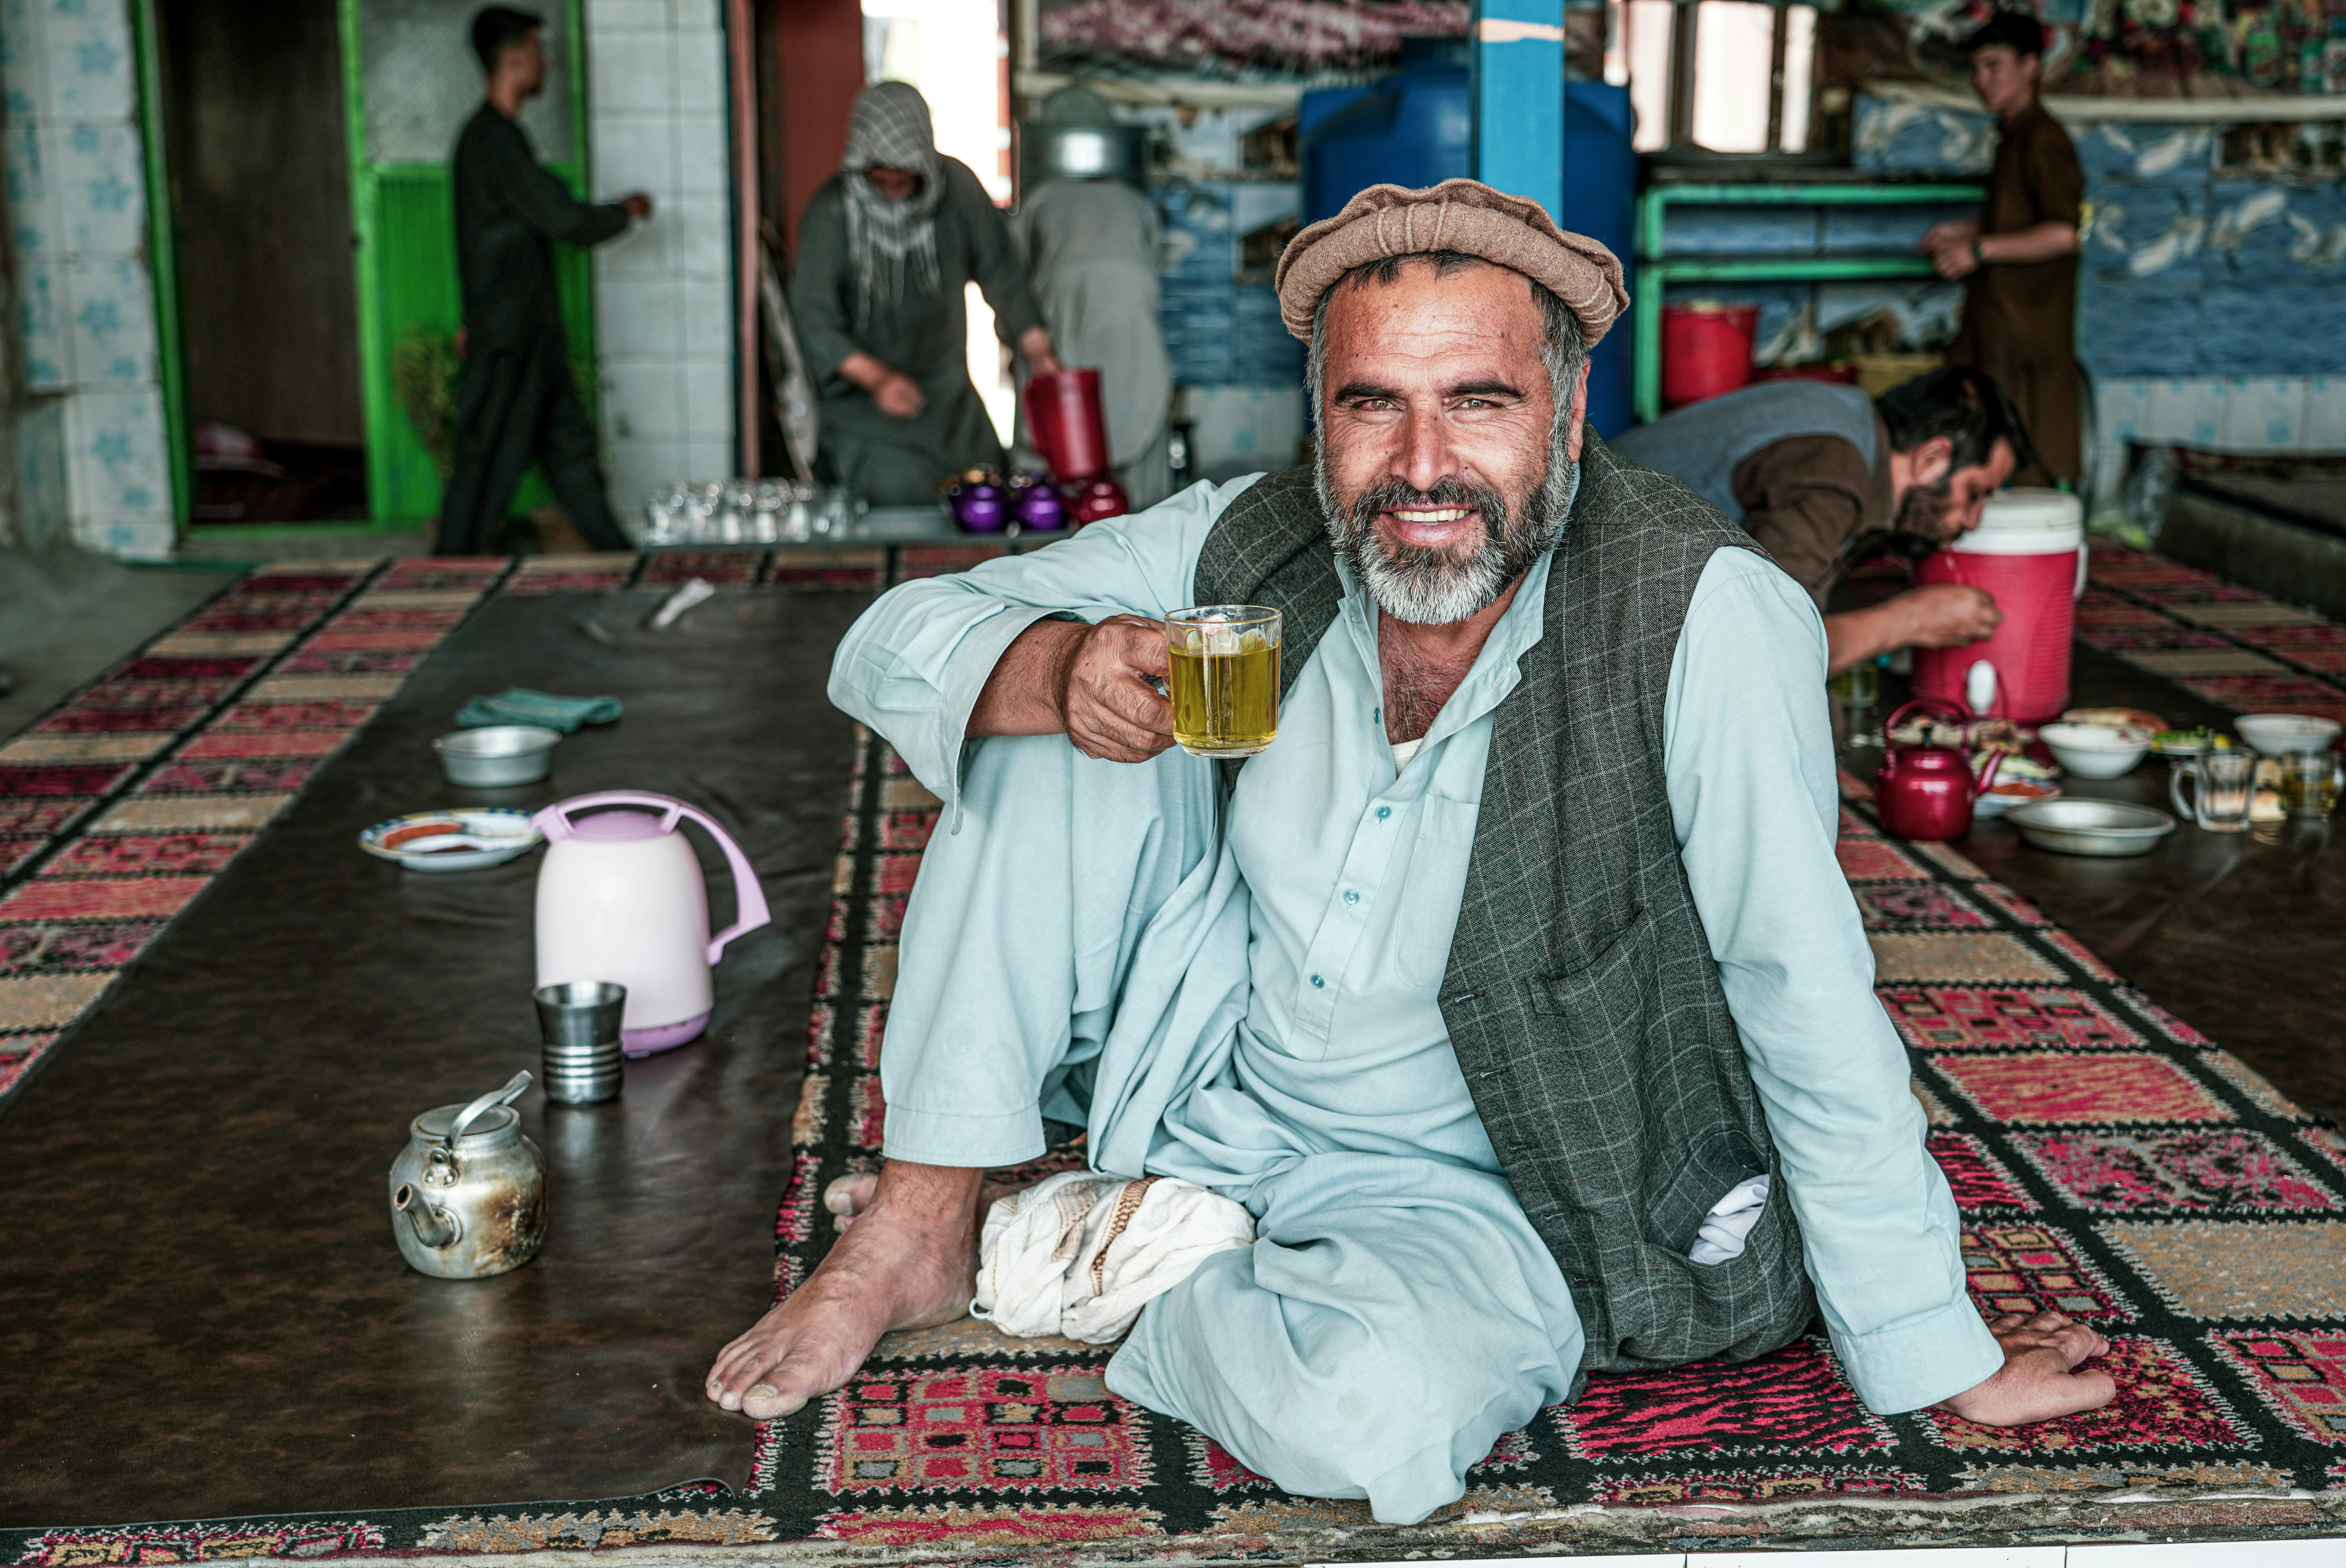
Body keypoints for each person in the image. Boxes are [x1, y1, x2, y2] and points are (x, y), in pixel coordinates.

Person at [706, 180, 2113, 1525]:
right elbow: (886, 642)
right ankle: (920, 1223)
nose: (1423, 466)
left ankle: (1137, 1253)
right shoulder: (1252, 545)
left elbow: (1801, 986)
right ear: (1322, 421)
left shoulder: (1704, 614)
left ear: (1566, 423)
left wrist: (1933, 1342)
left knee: (1365, 1414)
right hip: (1211, 1086)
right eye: (1374, 404)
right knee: (1027, 703)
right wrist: (1063, 667)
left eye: (1478, 403)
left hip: (1501, 1179)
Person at [1609, 366, 2032, 676]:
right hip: (1593, 631)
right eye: (1974, 494)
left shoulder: (1849, 415)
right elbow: (1771, 654)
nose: (1973, 521)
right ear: (1932, 459)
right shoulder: (1834, 474)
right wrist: (1912, 620)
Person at [437, 7, 648, 556]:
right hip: (509, 340)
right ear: (514, 60)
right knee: (485, 463)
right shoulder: (492, 142)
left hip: (529, 335)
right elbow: (563, 220)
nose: (547, 64)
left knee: (569, 451)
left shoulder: (497, 140)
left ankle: (619, 559)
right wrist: (622, 213)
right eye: (537, 52)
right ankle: (449, 572)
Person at [793, 83, 1062, 506]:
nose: (893, 181)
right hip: (868, 415)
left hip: (951, 403)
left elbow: (1002, 273)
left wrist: (1040, 352)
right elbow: (813, 317)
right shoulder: (832, 212)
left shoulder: (958, 189)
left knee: (989, 498)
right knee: (901, 499)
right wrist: (878, 379)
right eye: (880, 174)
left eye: (904, 172)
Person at [1921, 11, 2083, 487]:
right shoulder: (2012, 135)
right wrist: (1966, 230)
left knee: (2028, 451)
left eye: (1994, 66)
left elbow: (2064, 233)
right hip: (2003, 328)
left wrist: (1981, 249)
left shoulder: (2043, 140)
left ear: (2031, 66)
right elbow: (2023, 219)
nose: (1982, 81)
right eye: (1976, 69)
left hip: (2030, 331)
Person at [1016, 88, 1175, 509]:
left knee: (1057, 443)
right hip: (1135, 340)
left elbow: (1015, 285)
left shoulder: (1038, 202)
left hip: (1061, 333)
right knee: (1136, 464)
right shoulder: (1136, 203)